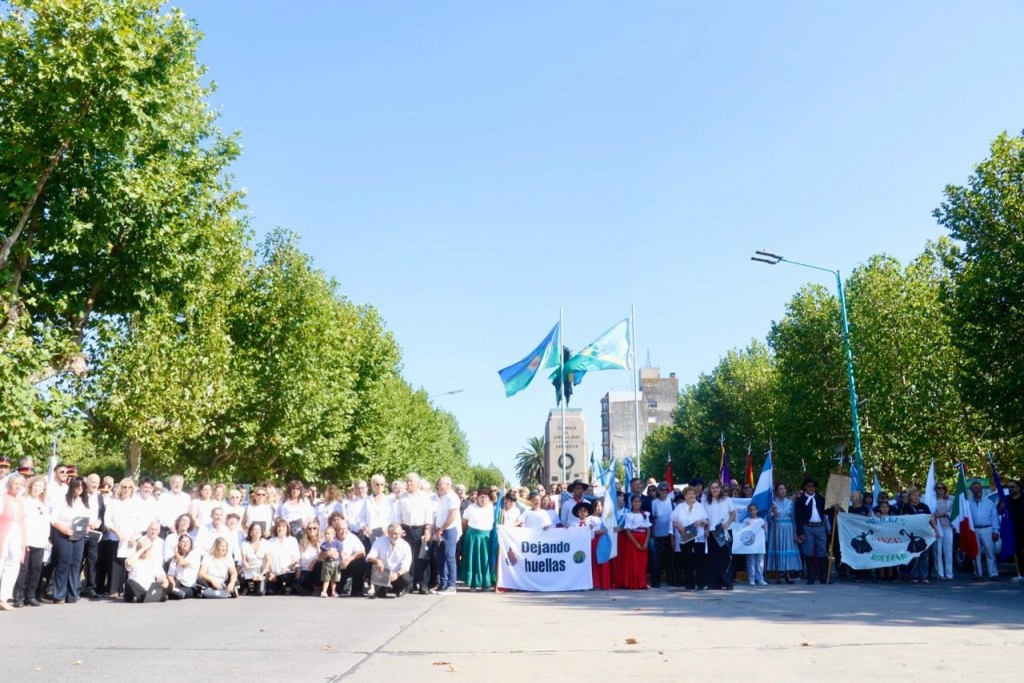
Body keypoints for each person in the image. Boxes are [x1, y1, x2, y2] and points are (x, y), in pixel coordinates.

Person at [49, 475, 92, 603]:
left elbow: (86, 518)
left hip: (78, 536)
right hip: (64, 534)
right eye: (77, 485)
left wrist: (87, 526)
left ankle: (72, 594)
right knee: (63, 563)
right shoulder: (62, 500)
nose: (80, 488)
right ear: (71, 486)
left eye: (82, 486)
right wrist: (64, 529)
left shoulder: (84, 501)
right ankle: (59, 595)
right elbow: (54, 518)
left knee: (75, 564)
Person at [13, 475, 48, 607]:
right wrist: (22, 538)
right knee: (24, 569)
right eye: (35, 486)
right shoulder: (24, 501)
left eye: (40, 487)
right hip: (26, 539)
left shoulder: (43, 504)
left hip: (39, 540)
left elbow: (46, 523)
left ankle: (30, 595)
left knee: (36, 568)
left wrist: (46, 538)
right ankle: (19, 596)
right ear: (31, 486)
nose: (37, 489)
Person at [399, 472, 432, 595]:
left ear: (417, 483)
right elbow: (399, 514)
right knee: (408, 558)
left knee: (422, 557)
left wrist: (427, 530)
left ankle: (423, 584)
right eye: (407, 481)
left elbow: (428, 514)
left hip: (420, 530)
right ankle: (409, 584)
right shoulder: (403, 497)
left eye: (411, 481)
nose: (408, 483)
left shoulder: (424, 496)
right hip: (405, 530)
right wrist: (399, 528)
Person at [671, 486, 708, 590]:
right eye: (689, 494)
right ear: (685, 496)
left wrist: (700, 521)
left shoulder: (700, 506)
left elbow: (706, 521)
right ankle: (689, 584)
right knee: (687, 560)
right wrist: (679, 526)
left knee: (700, 560)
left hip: (698, 536)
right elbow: (674, 521)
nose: (692, 496)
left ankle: (701, 584)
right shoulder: (679, 507)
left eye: (694, 494)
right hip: (685, 535)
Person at [897, 486, 936, 584]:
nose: (916, 497)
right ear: (910, 497)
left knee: (924, 556)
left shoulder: (924, 506)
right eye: (914, 495)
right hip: (911, 535)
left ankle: (923, 576)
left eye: (917, 495)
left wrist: (936, 530)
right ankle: (912, 575)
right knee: (913, 555)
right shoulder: (905, 507)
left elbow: (931, 519)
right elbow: (903, 520)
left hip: (924, 535)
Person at [794, 479, 829, 585]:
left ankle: (824, 576)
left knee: (822, 551)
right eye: (809, 486)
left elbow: (827, 510)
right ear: (805, 487)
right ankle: (811, 576)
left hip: (820, 527)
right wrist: (800, 533)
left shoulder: (820, 499)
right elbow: (798, 517)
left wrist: (834, 507)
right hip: (807, 527)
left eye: (813, 486)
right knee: (808, 551)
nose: (811, 488)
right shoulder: (800, 500)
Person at [459, 489, 495, 591]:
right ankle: (473, 583)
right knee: (472, 560)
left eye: (486, 497)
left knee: (485, 561)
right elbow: (464, 522)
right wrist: (470, 533)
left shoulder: (493, 509)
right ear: (477, 498)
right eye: (481, 497)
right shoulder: (471, 508)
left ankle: (485, 584)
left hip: (486, 538)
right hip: (472, 537)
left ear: (489, 499)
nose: (483, 499)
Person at [0, 475, 27, 610]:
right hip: (3, 535)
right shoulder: (2, 499)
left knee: (13, 565)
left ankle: (3, 598)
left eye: (20, 484)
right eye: (15, 483)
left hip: (16, 535)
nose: (18, 486)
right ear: (9, 484)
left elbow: (22, 521)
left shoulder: (20, 501)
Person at [367, 523, 414, 598]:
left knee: (406, 578)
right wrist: (377, 561)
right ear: (388, 533)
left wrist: (397, 574)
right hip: (383, 573)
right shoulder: (379, 541)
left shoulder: (405, 545)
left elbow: (406, 566)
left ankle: (399, 589)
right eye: (395, 534)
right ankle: (380, 588)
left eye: (399, 533)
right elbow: (369, 556)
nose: (398, 536)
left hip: (397, 575)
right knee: (369, 564)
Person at [705, 480, 736, 590]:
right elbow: (706, 518)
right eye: (713, 488)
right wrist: (706, 529)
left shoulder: (727, 500)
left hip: (725, 532)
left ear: (720, 488)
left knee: (726, 558)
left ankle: (727, 582)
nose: (715, 489)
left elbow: (733, 514)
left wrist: (727, 524)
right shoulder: (707, 502)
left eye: (717, 487)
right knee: (713, 559)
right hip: (712, 533)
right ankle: (714, 583)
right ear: (710, 490)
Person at [767, 484, 801, 583]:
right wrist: (773, 514)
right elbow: (769, 519)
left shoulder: (791, 502)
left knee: (788, 548)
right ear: (777, 491)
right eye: (780, 489)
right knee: (779, 548)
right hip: (777, 527)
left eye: (784, 488)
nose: (783, 490)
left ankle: (788, 574)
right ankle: (779, 574)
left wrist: (795, 531)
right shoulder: (773, 503)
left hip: (789, 528)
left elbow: (794, 518)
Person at [433, 476, 461, 594]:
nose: (439, 486)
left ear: (448, 485)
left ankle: (452, 585)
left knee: (450, 557)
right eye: (439, 484)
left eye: (442, 484)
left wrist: (442, 529)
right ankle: (443, 583)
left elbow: (452, 515)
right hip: (440, 530)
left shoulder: (452, 497)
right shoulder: (441, 498)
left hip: (449, 530)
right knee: (441, 558)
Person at [619, 493, 652, 590]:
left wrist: (645, 542)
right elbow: (628, 530)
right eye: (635, 502)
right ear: (631, 503)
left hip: (643, 538)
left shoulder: (645, 514)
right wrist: (636, 543)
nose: (637, 503)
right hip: (633, 540)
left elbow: (648, 529)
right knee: (633, 562)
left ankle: (642, 582)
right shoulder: (629, 515)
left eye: (639, 502)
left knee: (642, 563)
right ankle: (633, 583)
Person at [968, 480, 1000, 580]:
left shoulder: (989, 502)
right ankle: (978, 573)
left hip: (987, 529)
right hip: (974, 530)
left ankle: (993, 573)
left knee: (990, 552)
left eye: (979, 488)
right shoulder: (968, 503)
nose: (978, 490)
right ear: (971, 490)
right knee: (975, 553)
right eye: (976, 488)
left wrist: (996, 531)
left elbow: (994, 517)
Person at [123, 536, 168, 603]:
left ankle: (144, 597)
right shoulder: (133, 559)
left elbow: (160, 575)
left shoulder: (154, 561)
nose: (146, 551)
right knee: (129, 582)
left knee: (165, 596)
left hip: (148, 590)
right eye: (143, 548)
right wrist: (143, 548)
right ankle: (144, 597)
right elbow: (129, 563)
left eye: (148, 549)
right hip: (134, 589)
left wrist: (164, 581)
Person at [333, 519, 368, 597]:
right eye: (341, 529)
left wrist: (349, 559)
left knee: (360, 562)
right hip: (334, 568)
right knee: (335, 591)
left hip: (348, 565)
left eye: (345, 529)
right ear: (336, 530)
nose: (344, 531)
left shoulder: (352, 537)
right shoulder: (330, 538)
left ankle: (357, 590)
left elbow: (362, 552)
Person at [265, 518, 301, 594]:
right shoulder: (271, 541)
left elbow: (296, 558)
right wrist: (270, 573)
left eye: (284, 526)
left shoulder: (292, 540)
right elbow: (268, 559)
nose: (281, 528)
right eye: (279, 526)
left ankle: (288, 586)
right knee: (270, 592)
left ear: (287, 528)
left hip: (287, 572)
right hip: (274, 573)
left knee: (286, 586)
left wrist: (289, 567)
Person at [650, 482, 674, 587]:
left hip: (669, 534)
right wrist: (653, 534)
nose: (664, 492)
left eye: (666, 490)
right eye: (662, 490)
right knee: (657, 559)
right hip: (658, 534)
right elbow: (653, 520)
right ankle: (656, 581)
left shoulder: (671, 501)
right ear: (658, 491)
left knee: (669, 558)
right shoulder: (654, 503)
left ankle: (670, 579)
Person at [930, 482, 954, 580]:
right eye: (938, 488)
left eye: (942, 488)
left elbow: (953, 512)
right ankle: (940, 573)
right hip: (937, 526)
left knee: (948, 551)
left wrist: (944, 514)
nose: (941, 490)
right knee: (938, 551)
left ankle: (949, 573)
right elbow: (931, 513)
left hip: (948, 526)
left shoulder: (950, 500)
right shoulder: (932, 501)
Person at [166, 533, 200, 599]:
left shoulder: (194, 554)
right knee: (168, 588)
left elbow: (182, 562)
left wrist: (176, 552)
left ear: (190, 543)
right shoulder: (176, 557)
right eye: (183, 542)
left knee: (178, 594)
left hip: (189, 585)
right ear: (179, 543)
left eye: (187, 542)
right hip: (178, 582)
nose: (185, 544)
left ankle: (173, 592)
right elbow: (170, 574)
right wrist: (172, 585)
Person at [239, 522, 270, 596]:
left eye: (259, 529)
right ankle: (246, 587)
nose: (258, 531)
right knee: (241, 576)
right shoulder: (245, 544)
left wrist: (263, 573)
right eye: (255, 529)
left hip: (261, 571)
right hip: (249, 570)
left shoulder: (266, 543)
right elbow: (244, 560)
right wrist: (248, 568)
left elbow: (268, 560)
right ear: (250, 532)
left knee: (260, 593)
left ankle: (256, 586)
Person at [742, 504, 769, 586]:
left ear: (757, 510)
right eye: (750, 510)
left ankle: (760, 578)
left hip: (759, 544)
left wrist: (764, 528)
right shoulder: (746, 520)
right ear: (748, 511)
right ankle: (751, 578)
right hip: (750, 544)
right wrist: (745, 526)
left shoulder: (761, 520)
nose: (752, 511)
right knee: (750, 561)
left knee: (760, 562)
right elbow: (742, 532)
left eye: (754, 510)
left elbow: (766, 532)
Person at [297, 520, 324, 593]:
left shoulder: (322, 542)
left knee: (319, 564)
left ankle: (318, 587)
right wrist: (298, 569)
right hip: (305, 570)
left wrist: (318, 549)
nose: (312, 530)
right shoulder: (303, 543)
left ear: (318, 530)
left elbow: (323, 558)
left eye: (314, 528)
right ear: (307, 530)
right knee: (303, 582)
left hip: (316, 570)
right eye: (309, 528)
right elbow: (298, 558)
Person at [319, 525, 344, 597]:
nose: (327, 535)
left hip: (336, 563)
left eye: (329, 534)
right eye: (326, 534)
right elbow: (321, 554)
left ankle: (333, 591)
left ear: (334, 534)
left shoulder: (338, 543)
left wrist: (342, 561)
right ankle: (324, 591)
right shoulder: (324, 545)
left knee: (334, 579)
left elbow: (340, 553)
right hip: (327, 564)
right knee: (326, 578)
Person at [1007, 480, 1024, 581]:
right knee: (1018, 553)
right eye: (1009, 487)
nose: (1010, 489)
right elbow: (999, 511)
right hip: (1013, 530)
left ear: (1018, 487)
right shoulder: (1007, 500)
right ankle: (1020, 574)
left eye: (1012, 487)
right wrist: (1001, 507)